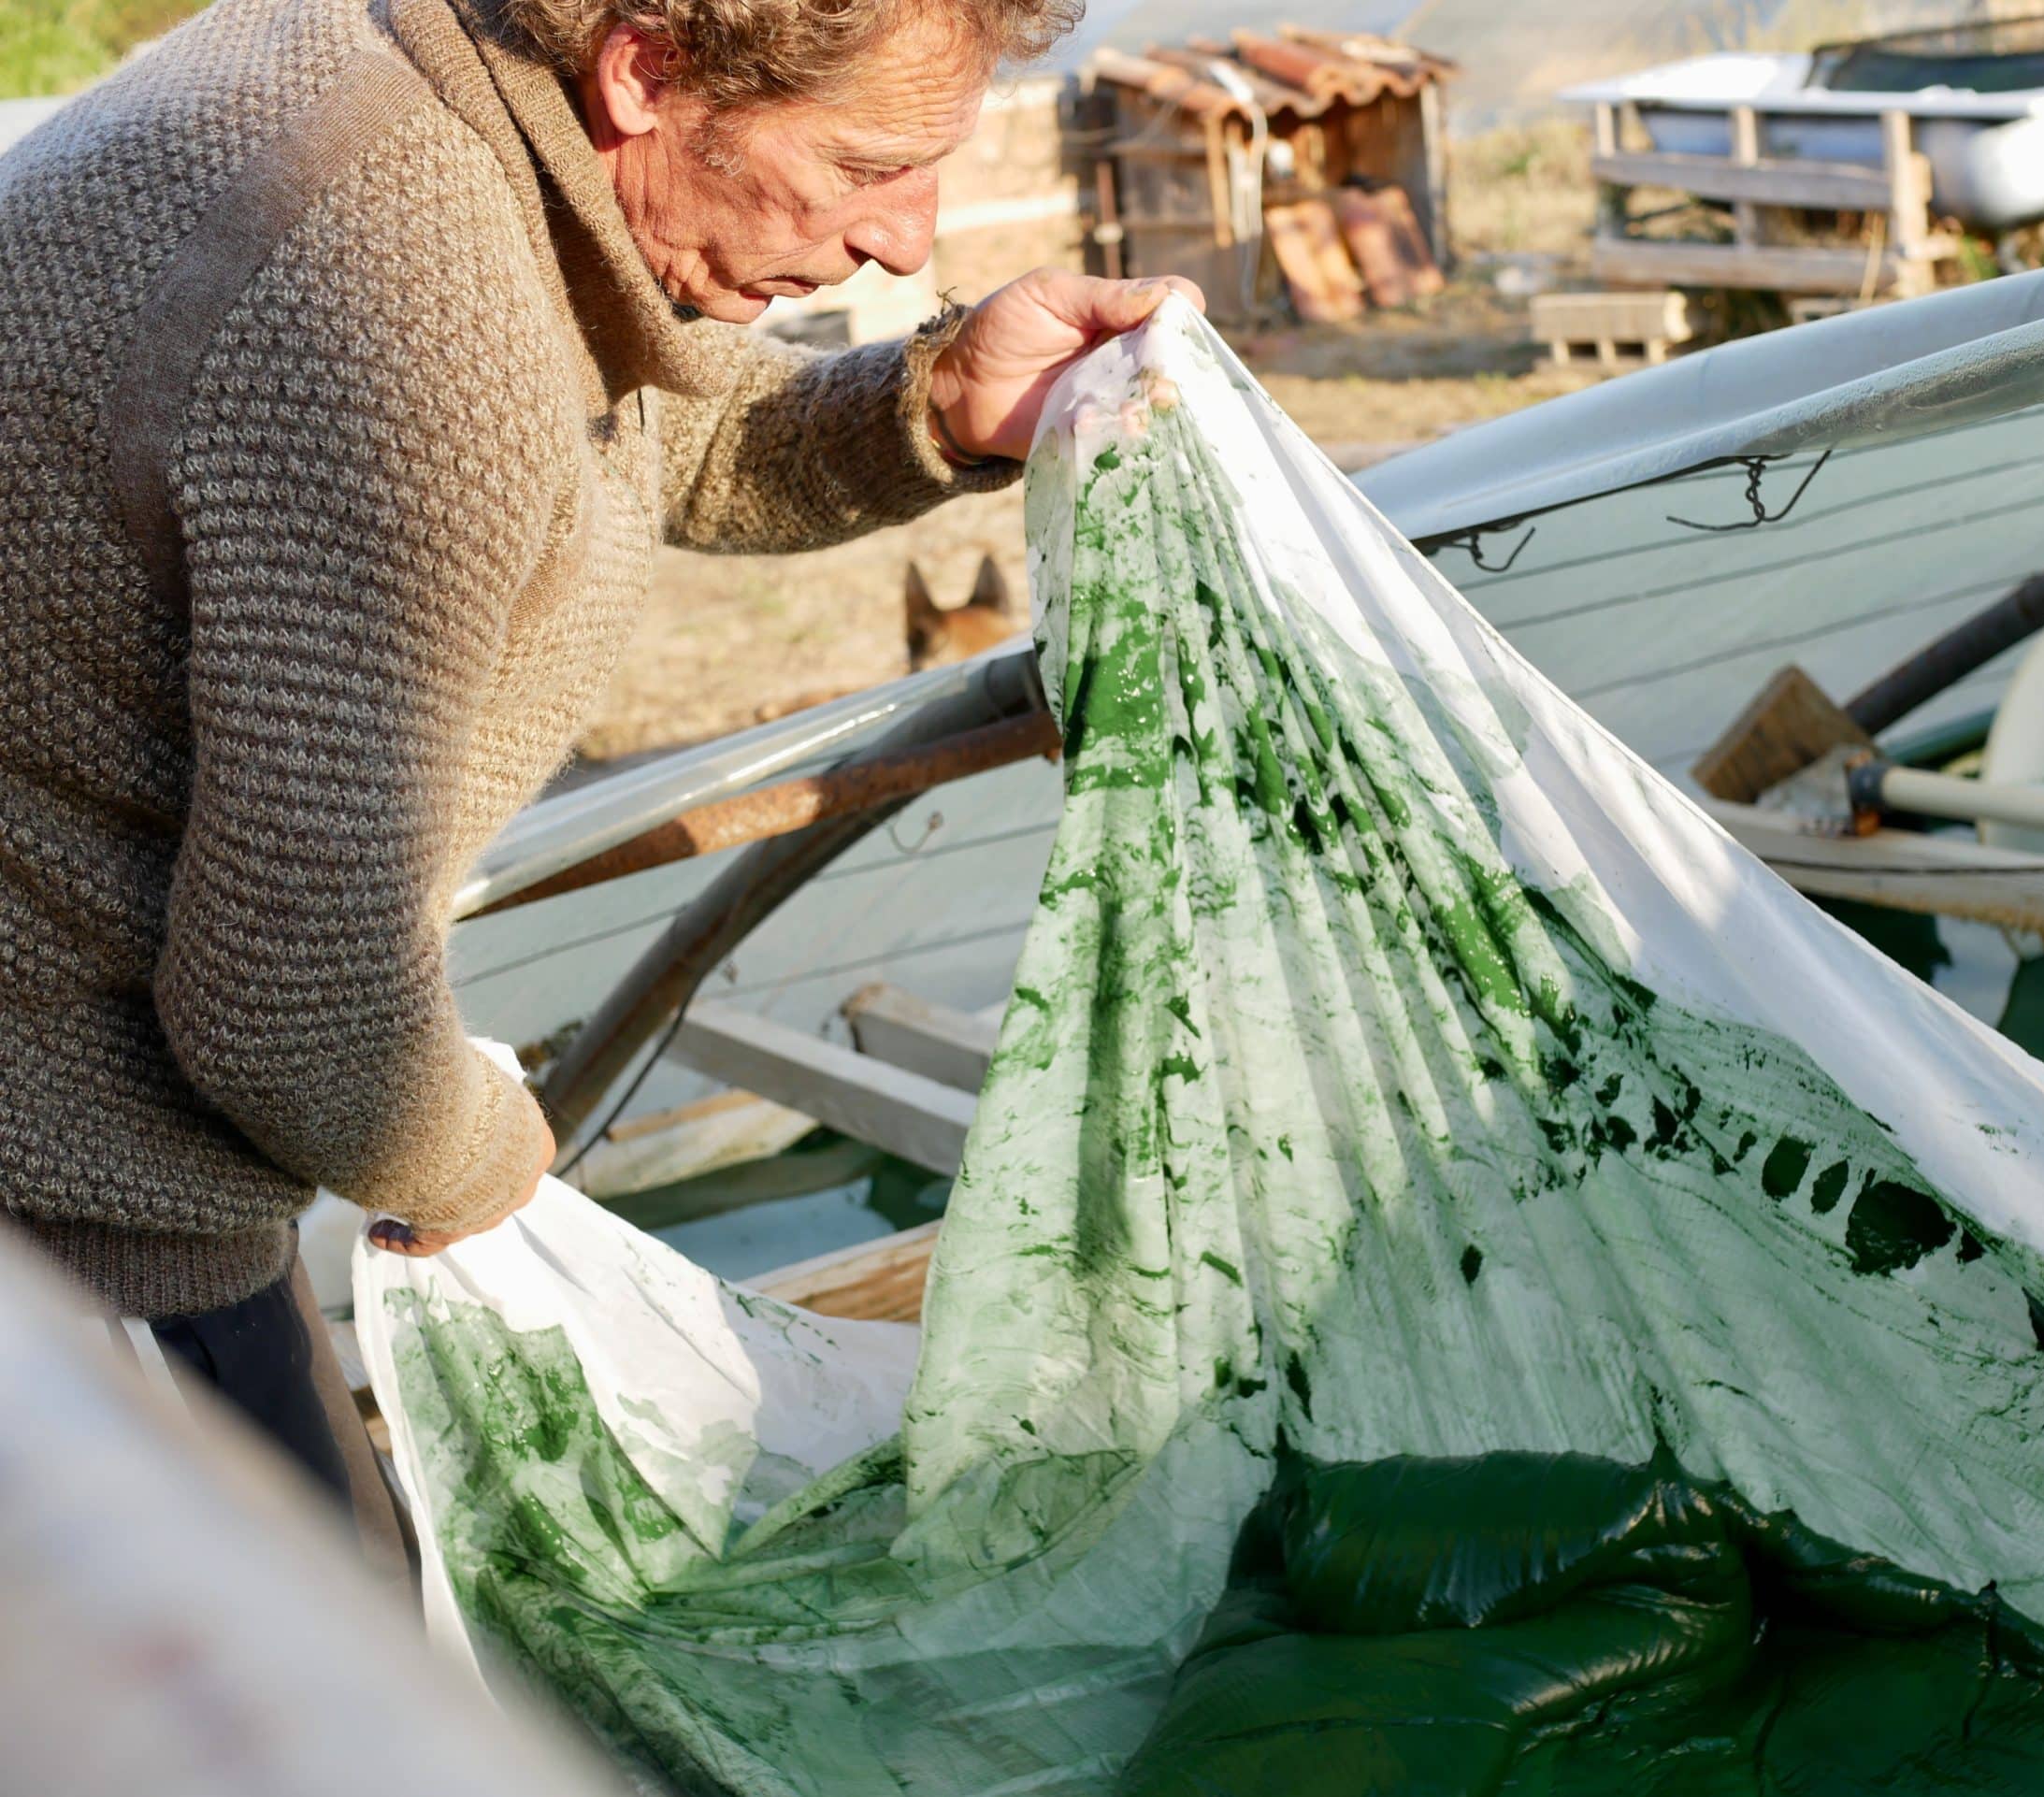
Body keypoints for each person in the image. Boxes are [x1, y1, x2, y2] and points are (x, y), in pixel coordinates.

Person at [0, 0, 1198, 1554]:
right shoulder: (400, 302)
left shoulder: (425, 83)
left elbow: (649, 436)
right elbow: (290, 1009)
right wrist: (488, 1155)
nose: (908, 241)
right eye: (866, 165)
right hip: (68, 1198)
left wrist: (933, 401)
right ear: (645, 70)